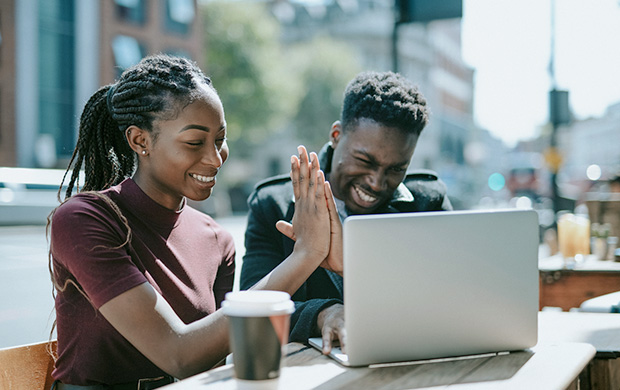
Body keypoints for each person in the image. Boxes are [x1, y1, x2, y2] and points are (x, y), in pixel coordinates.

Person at [48, 54, 340, 389]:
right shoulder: (85, 219)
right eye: (195, 142)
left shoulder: (217, 240)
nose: (215, 159)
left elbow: (209, 365)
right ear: (139, 140)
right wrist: (305, 256)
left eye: (220, 139)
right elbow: (180, 355)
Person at [240, 71, 452, 354]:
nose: (376, 182)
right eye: (364, 160)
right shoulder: (273, 206)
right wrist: (322, 313)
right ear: (337, 135)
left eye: (396, 169)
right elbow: (252, 307)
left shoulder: (428, 203)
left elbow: (449, 297)